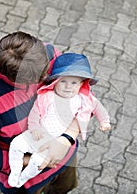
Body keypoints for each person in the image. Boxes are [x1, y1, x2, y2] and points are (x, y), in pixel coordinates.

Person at [0, 31, 81, 194]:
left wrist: (67, 139)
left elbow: (82, 97)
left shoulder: (46, 54)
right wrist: (29, 161)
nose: (49, 76)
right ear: (19, 80)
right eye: (40, 78)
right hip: (27, 182)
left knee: (66, 187)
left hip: (66, 155)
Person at [8, 53, 111, 188]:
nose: (68, 86)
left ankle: (24, 177)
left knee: (39, 162)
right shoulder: (47, 96)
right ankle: (15, 172)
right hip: (39, 133)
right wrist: (34, 128)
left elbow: (99, 108)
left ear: (82, 84)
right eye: (63, 81)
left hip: (55, 141)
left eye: (74, 83)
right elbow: (35, 113)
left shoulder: (83, 99)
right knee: (16, 145)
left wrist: (104, 121)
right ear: (55, 82)